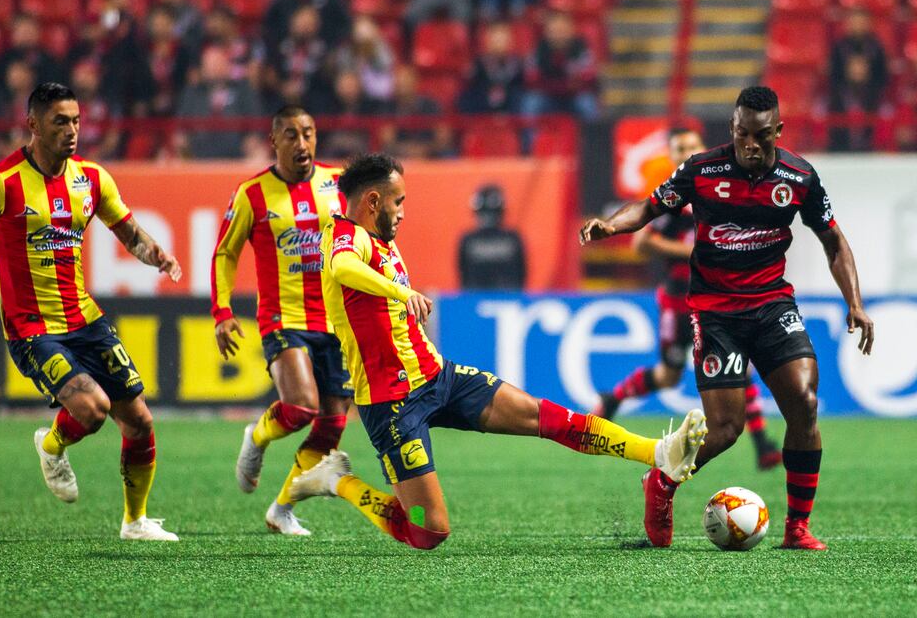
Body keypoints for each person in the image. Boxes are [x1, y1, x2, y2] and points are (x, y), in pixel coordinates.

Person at [283, 153, 708, 551]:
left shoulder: (379, 237)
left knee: (546, 417)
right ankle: (336, 480)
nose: (403, 211)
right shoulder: (344, 236)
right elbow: (342, 267)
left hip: (438, 376)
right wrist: (401, 291)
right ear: (373, 201)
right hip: (391, 403)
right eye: (399, 202)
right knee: (429, 531)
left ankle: (658, 452)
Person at [580, 86, 875, 550]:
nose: (750, 145)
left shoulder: (799, 177)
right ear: (733, 129)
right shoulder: (702, 169)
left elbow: (833, 241)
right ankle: (662, 481)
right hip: (716, 311)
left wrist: (854, 302)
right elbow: (650, 206)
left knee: (804, 403)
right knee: (725, 430)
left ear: (778, 131)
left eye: (761, 135)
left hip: (772, 305)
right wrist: (613, 225)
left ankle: (797, 528)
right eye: (742, 135)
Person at [0, 83, 183, 540]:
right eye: (59, 122)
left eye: (76, 121)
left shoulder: (91, 178)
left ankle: (135, 522)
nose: (71, 131)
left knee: (140, 421)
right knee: (93, 409)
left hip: (85, 319)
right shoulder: (2, 182)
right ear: (32, 124)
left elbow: (129, 233)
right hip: (31, 328)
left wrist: (156, 255)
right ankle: (51, 445)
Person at [597, 127, 782, 471]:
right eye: (679, 148)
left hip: (716, 299)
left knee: (738, 365)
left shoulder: (720, 193)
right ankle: (613, 398)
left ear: (703, 148)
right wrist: (692, 251)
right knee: (669, 375)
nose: (686, 153)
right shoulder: (672, 200)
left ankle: (762, 445)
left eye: (691, 146)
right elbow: (641, 243)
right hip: (678, 301)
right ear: (671, 156)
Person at [211, 106, 353, 536]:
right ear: (274, 141)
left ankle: (283, 508)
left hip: (336, 319)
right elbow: (225, 252)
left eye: (308, 133)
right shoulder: (252, 193)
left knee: (333, 423)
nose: (302, 143)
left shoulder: (339, 184)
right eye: (291, 135)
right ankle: (256, 437)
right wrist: (222, 311)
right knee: (302, 406)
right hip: (283, 316)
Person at [828, 8, 888, 152]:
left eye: (861, 22)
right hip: (844, 94)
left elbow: (882, 76)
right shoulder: (839, 47)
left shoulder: (876, 47)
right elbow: (833, 75)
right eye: (855, 21)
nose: (858, 25)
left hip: (871, 93)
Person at [458, 184, 526, 290]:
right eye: (485, 213)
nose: (488, 218)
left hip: (504, 297)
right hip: (485, 297)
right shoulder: (513, 238)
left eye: (491, 213)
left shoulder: (468, 240)